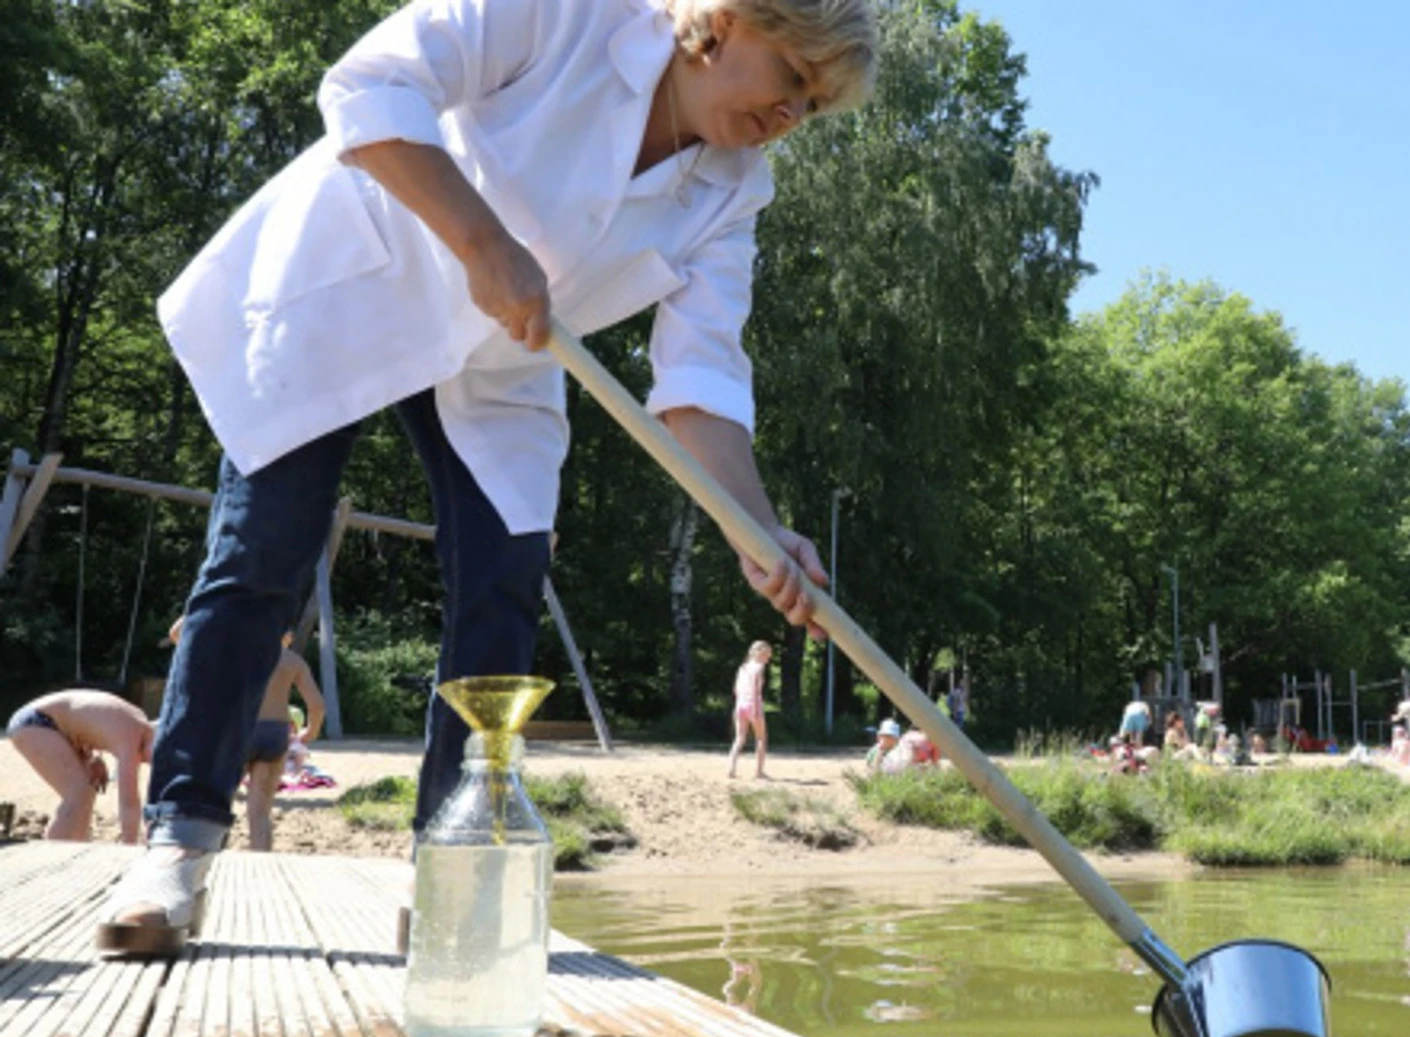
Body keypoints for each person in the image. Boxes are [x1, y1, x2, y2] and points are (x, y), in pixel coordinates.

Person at [105, 0, 879, 954]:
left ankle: (449, 877)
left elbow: (702, 376)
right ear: (721, 22)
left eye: (815, 106)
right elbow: (371, 83)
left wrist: (756, 531)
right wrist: (480, 243)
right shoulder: (566, 15)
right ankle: (178, 848)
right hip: (359, 280)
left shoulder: (734, 189)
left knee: (505, 589)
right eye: (793, 76)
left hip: (505, 363)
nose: (791, 113)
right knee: (265, 550)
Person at [168, 616, 326, 852]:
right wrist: (309, 732)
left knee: (221, 804)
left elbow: (177, 635)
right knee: (260, 811)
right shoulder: (293, 661)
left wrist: (209, 605)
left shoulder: (233, 651)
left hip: (238, 729)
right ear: (288, 637)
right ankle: (260, 866)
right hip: (276, 733)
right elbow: (317, 705)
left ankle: (215, 857)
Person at [6, 691, 155, 845]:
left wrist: (94, 757)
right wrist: (129, 847)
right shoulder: (132, 737)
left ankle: (75, 851)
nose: (146, 763)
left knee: (87, 790)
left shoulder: (138, 723)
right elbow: (129, 802)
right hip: (37, 721)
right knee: (77, 791)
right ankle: (51, 855)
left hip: (53, 724)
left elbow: (93, 718)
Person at [728, 640, 774, 780]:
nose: (768, 658)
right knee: (761, 738)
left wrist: (738, 705)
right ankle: (759, 772)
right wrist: (754, 708)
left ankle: (731, 768)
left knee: (739, 738)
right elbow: (755, 689)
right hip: (753, 704)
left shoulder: (743, 667)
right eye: (767, 655)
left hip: (740, 704)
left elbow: (736, 689)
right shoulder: (759, 668)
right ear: (760, 654)